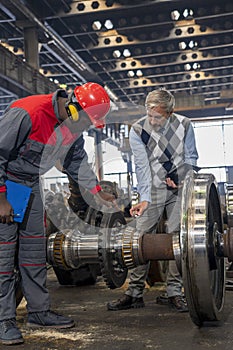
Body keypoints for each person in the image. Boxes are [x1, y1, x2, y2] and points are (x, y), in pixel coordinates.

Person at [0, 82, 116, 345]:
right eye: (86, 121)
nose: (85, 127)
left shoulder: (71, 128)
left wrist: (97, 192)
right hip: (9, 184)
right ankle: (3, 319)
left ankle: (38, 312)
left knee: (33, 254)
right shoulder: (28, 112)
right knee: (5, 257)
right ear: (73, 107)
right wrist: (2, 197)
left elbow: (76, 162)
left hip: (30, 186)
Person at [107, 88, 199, 313]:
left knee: (178, 236)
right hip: (154, 190)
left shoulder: (185, 125)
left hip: (179, 189)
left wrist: (182, 175)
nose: (153, 120)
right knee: (140, 235)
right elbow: (142, 167)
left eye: (158, 116)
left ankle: (174, 292)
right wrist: (145, 198)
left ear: (170, 113)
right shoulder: (138, 130)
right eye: (150, 115)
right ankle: (135, 292)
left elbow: (192, 157)